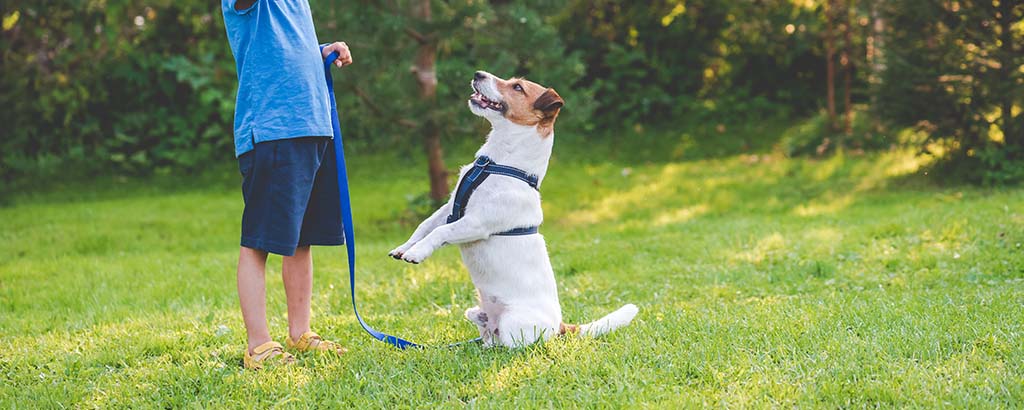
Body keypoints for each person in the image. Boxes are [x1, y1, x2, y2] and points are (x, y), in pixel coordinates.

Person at [222, 0, 354, 370]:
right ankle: (259, 344)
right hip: (272, 131)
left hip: (312, 126)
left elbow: (285, 49)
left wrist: (321, 52)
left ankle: (300, 332)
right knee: (259, 241)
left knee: (300, 238)